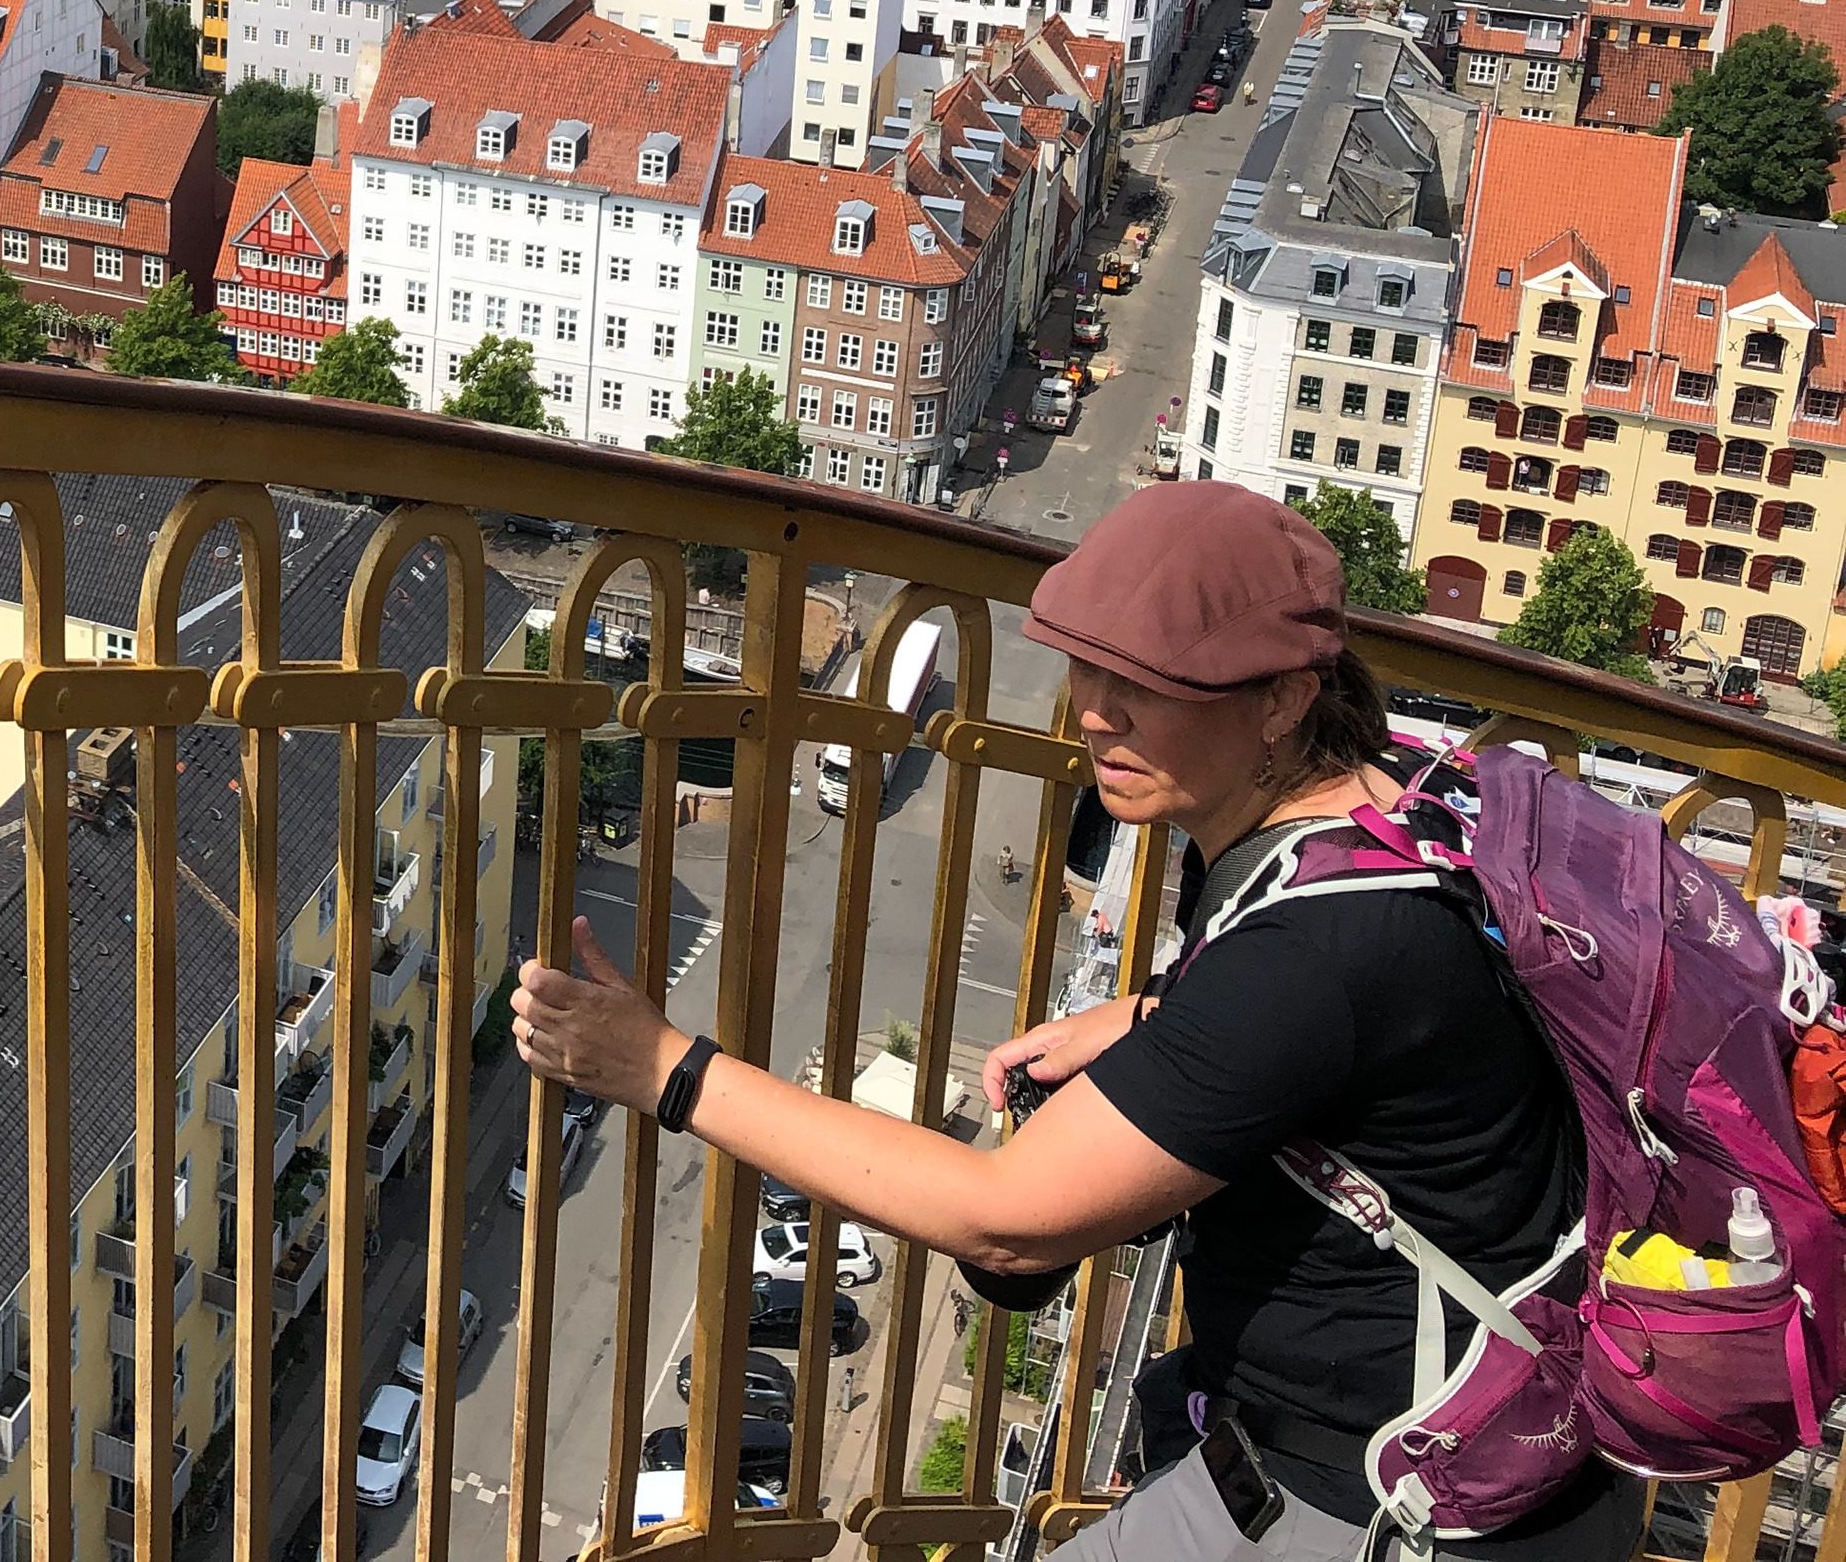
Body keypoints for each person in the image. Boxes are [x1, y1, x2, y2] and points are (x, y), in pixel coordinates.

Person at [511, 482, 1632, 1562]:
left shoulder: (1316, 956)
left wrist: (663, 1066)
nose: (1098, 711)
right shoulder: (1405, 799)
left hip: (1387, 1497)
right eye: (1091, 668)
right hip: (1513, 1445)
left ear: (1286, 701)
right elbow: (1390, 1031)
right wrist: (1155, 1016)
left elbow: (1006, 1222)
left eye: (1151, 684)